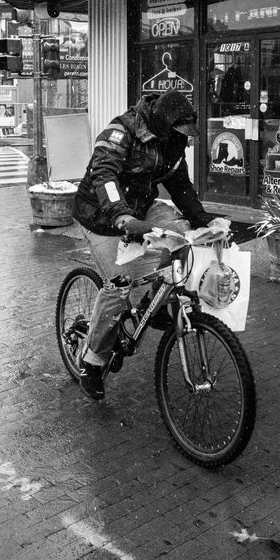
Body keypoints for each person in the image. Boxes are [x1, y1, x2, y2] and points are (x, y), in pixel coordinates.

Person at [72, 90, 215, 400]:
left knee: (184, 236)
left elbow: (179, 185)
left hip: (141, 206)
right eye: (183, 134)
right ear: (164, 124)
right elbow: (105, 177)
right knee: (120, 283)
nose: (188, 140)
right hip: (101, 213)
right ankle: (92, 359)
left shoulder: (173, 141)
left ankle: (158, 303)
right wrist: (121, 217)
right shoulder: (120, 132)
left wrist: (201, 219)